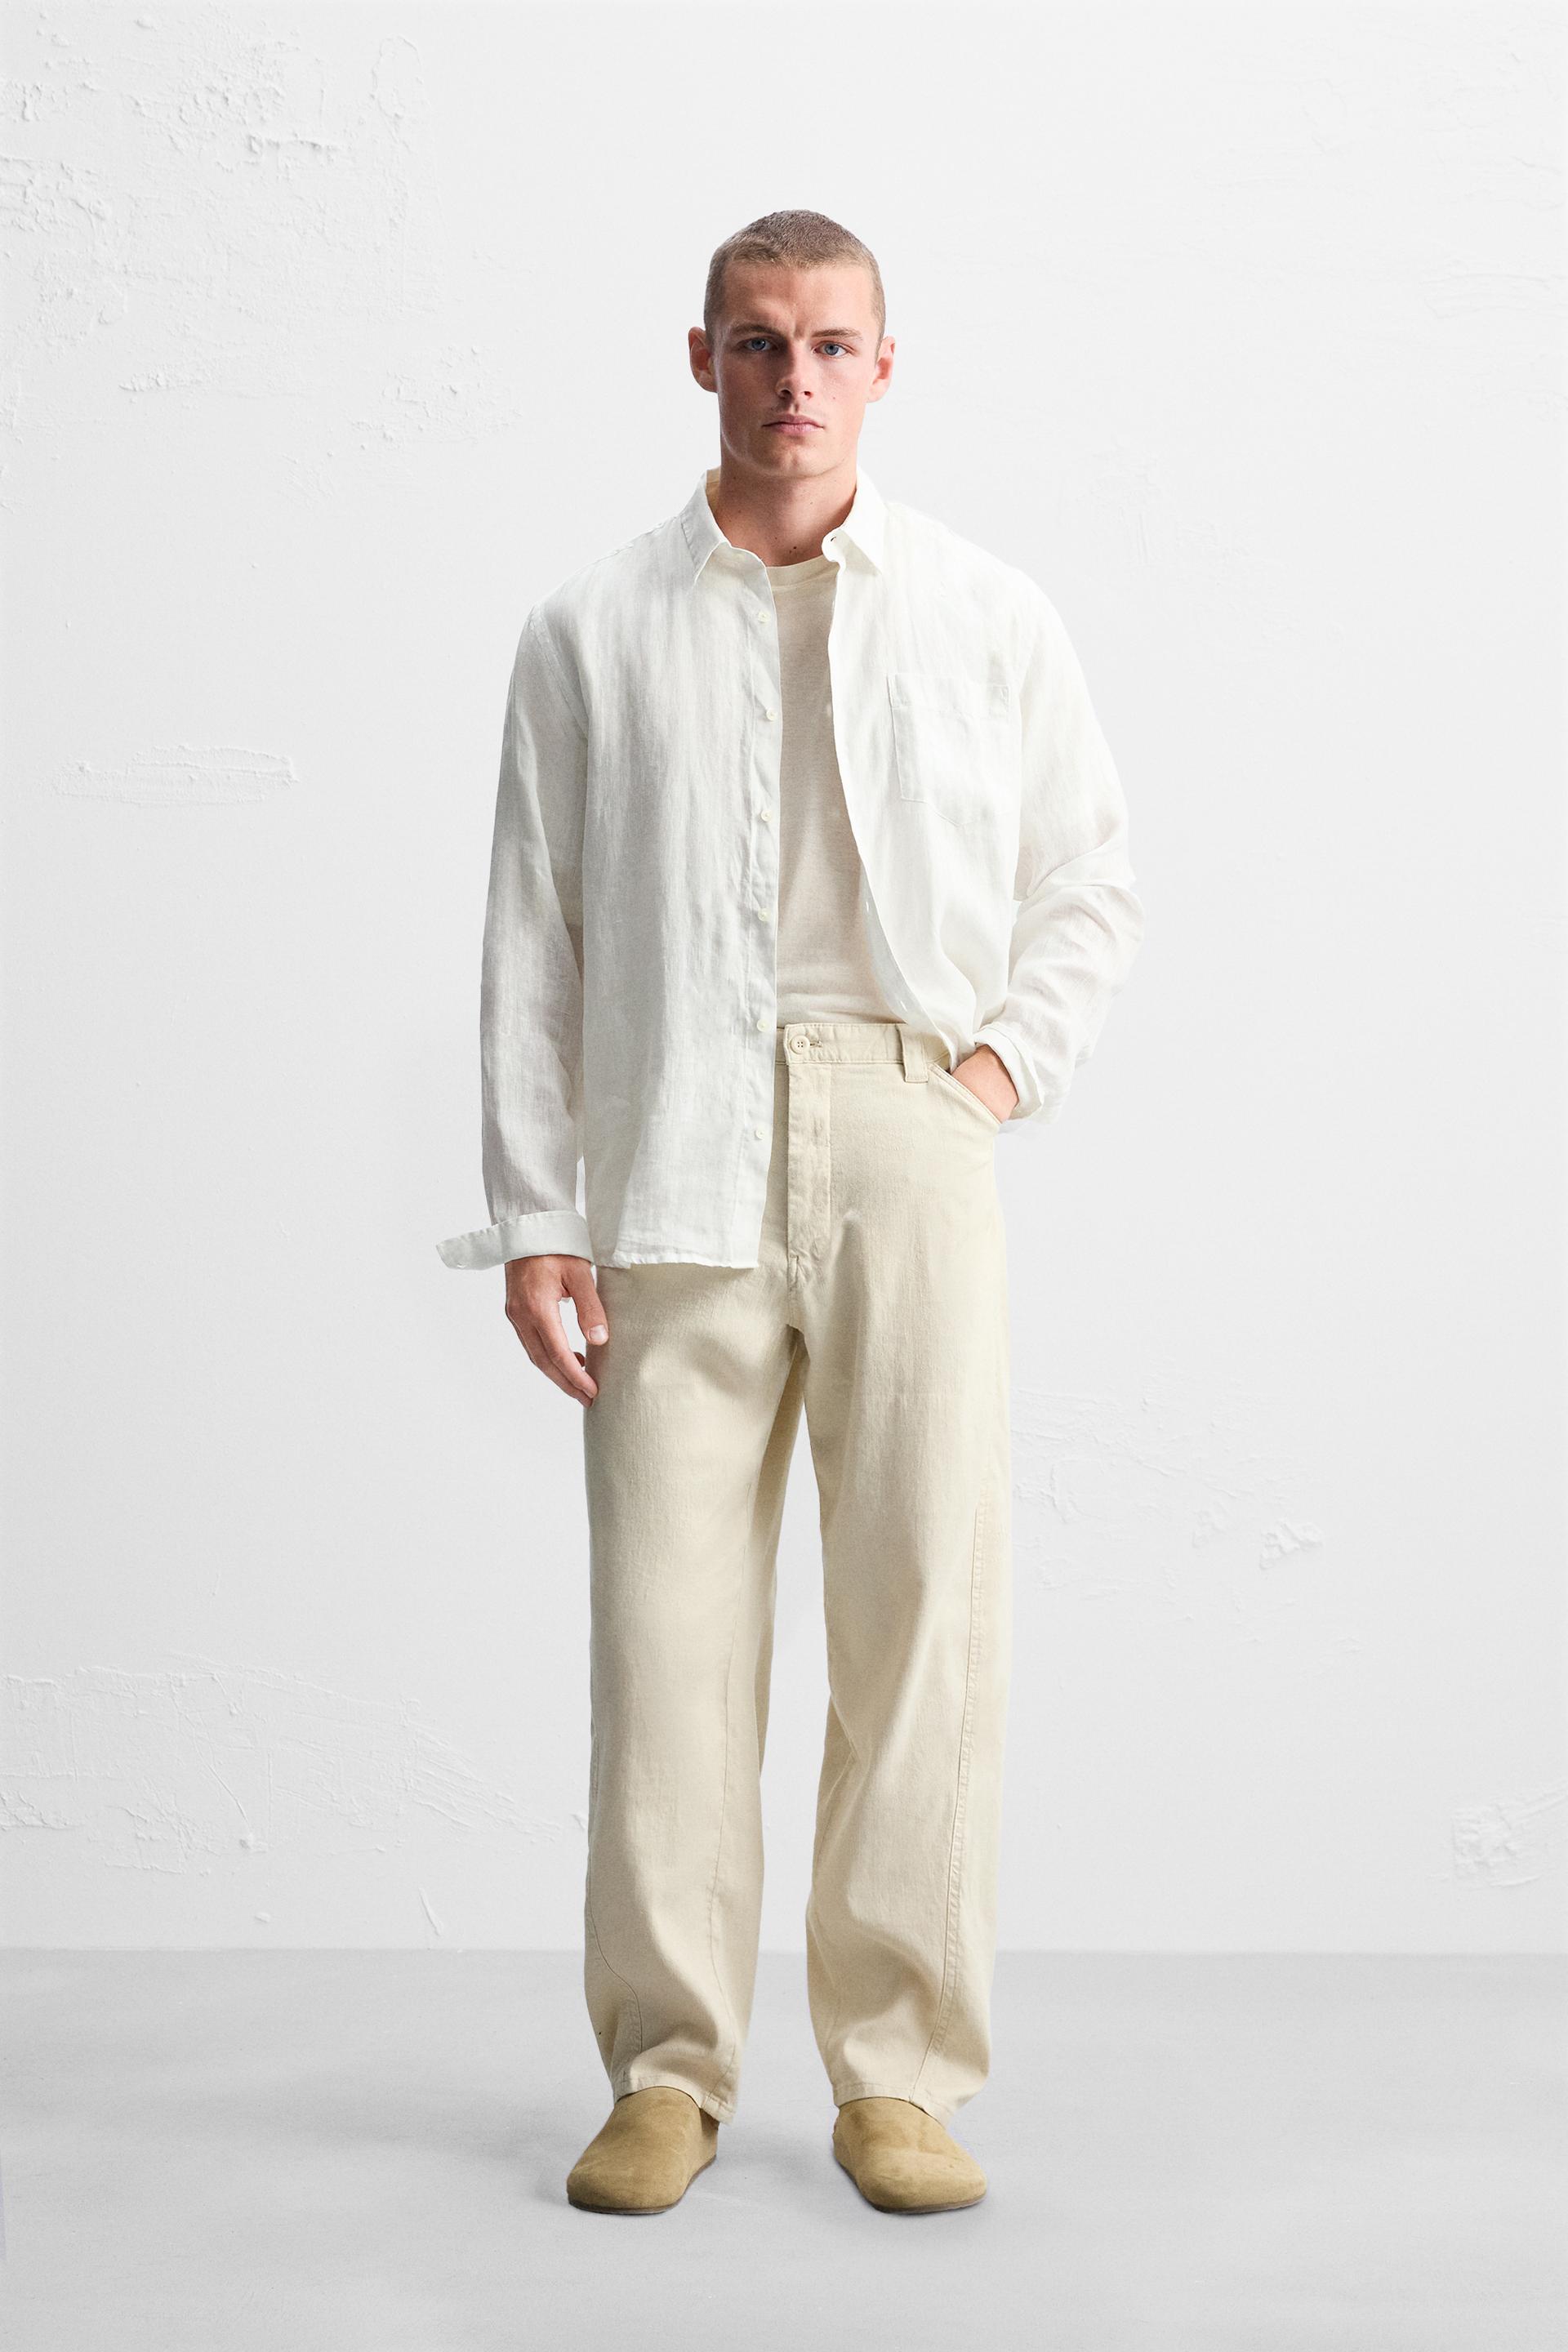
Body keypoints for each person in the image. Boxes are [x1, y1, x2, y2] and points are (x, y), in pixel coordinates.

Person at [436, 209, 1144, 2215]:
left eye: (832, 343)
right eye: (758, 341)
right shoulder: (591, 629)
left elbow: (1090, 877)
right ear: (701, 360)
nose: (796, 377)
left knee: (924, 1610)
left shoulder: (986, 611)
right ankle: (666, 2072)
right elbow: (532, 936)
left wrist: (991, 1076)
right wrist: (535, 1215)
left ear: (885, 367)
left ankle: (899, 2075)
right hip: (675, 1143)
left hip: (910, 1120)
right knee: (666, 1632)